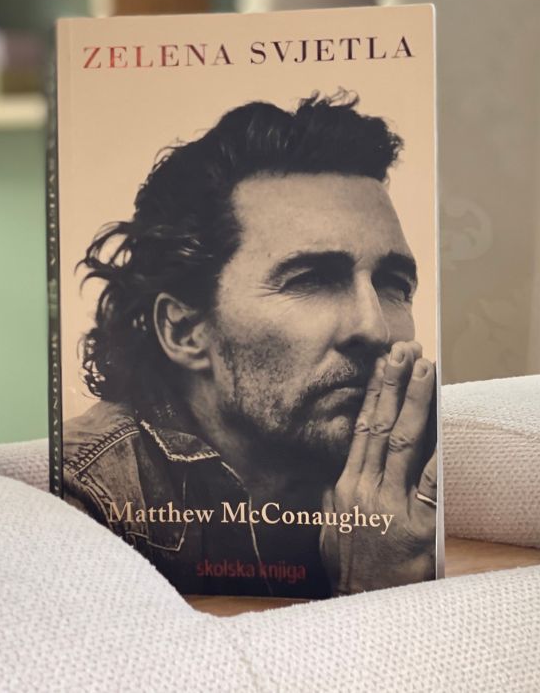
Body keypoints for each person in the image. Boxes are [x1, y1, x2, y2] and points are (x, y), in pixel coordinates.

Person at [62, 92, 437, 598]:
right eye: (311, 280)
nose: (376, 329)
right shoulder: (84, 500)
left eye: (393, 284)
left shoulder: (432, 468)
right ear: (185, 331)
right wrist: (375, 592)